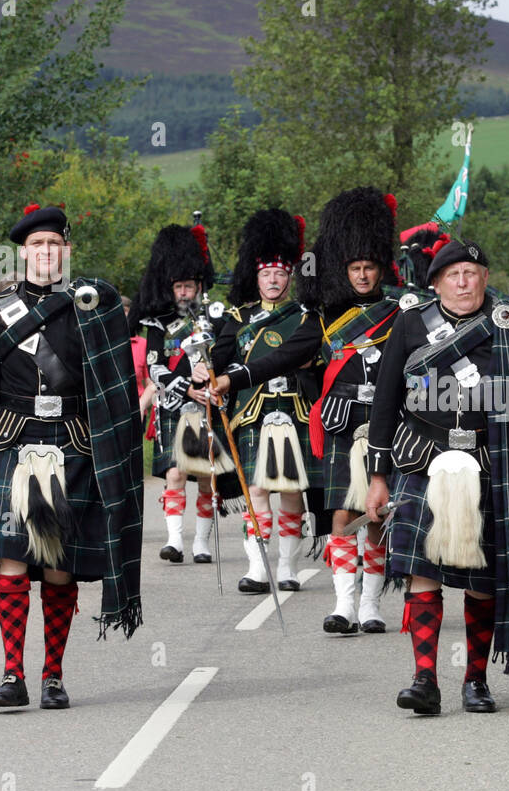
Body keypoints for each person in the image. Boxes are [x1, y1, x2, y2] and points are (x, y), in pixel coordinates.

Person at [364, 239, 509, 715]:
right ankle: (424, 679)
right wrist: (378, 476)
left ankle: (476, 680)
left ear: (485, 278)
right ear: (435, 282)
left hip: (489, 463)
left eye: (473, 273)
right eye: (453, 275)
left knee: (483, 579)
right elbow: (386, 401)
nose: (464, 282)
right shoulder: (412, 323)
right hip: (421, 461)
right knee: (422, 573)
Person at [0, 203, 143, 710]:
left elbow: (113, 385)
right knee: (13, 558)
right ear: (24, 253)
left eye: (54, 245)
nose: (46, 253)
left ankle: (53, 677)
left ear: (66, 251)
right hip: (15, 442)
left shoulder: (92, 305)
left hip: (74, 442)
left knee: (59, 565)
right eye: (37, 246)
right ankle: (13, 675)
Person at [214, 189, 401, 634]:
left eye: (369, 267)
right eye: (354, 268)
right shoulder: (322, 318)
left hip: (385, 426)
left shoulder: (401, 313)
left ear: (380, 269)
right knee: (340, 515)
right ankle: (344, 605)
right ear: (344, 269)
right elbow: (277, 360)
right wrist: (231, 378)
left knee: (375, 518)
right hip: (341, 422)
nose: (361, 275)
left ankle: (372, 605)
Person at [210, 208, 317, 596]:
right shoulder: (238, 317)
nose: (272, 280)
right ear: (255, 278)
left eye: (279, 273)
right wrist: (201, 367)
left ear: (290, 277)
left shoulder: (307, 317)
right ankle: (257, 567)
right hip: (252, 412)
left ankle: (287, 565)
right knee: (256, 490)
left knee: (291, 491)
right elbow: (217, 362)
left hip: (294, 409)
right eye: (265, 273)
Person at [130, 224, 223, 564]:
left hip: (207, 406)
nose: (184, 292)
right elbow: (154, 367)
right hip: (174, 403)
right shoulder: (157, 323)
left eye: (189, 286)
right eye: (179, 286)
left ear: (199, 286)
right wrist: (186, 388)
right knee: (175, 472)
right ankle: (175, 540)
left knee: (204, 476)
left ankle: (201, 542)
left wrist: (207, 387)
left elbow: (223, 360)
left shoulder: (215, 319)